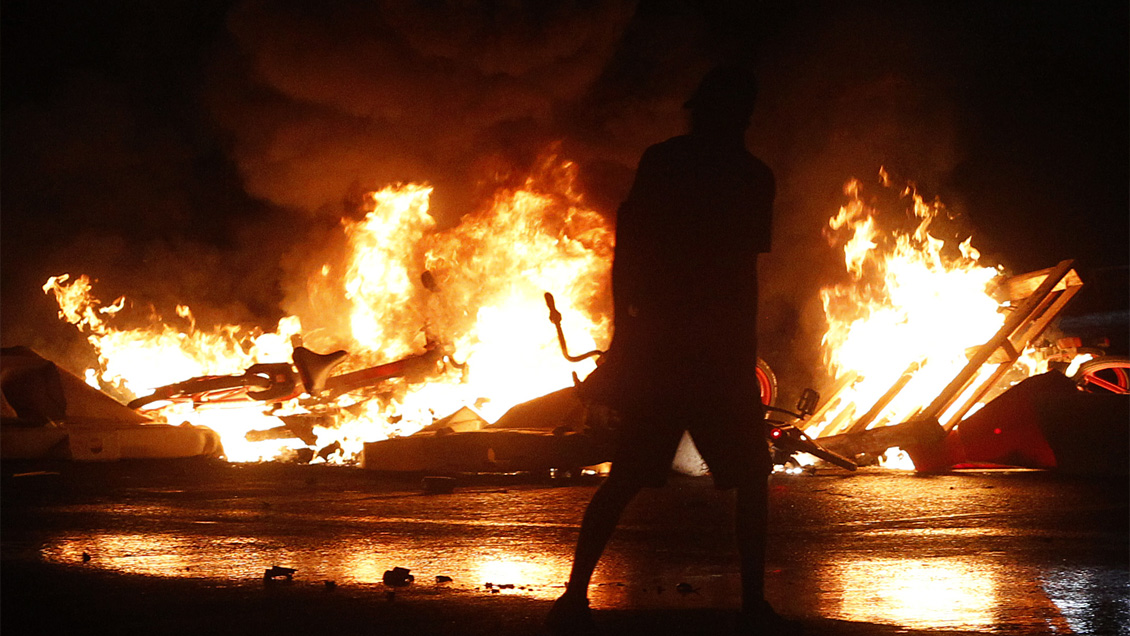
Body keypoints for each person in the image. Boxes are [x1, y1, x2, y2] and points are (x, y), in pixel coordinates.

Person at [546, 64, 799, 635]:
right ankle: (752, 606)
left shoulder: (670, 163)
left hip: (669, 344)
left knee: (633, 474)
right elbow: (737, 275)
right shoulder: (750, 175)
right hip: (705, 349)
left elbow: (629, 252)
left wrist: (624, 336)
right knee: (745, 477)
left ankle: (573, 596)